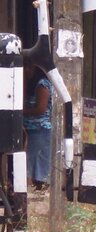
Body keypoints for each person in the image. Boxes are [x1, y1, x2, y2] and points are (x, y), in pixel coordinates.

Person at [22, 57, 51, 191]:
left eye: (27, 68)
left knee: (35, 160)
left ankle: (36, 187)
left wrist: (22, 112)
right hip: (31, 129)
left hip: (40, 128)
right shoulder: (29, 84)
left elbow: (41, 108)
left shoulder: (42, 85)